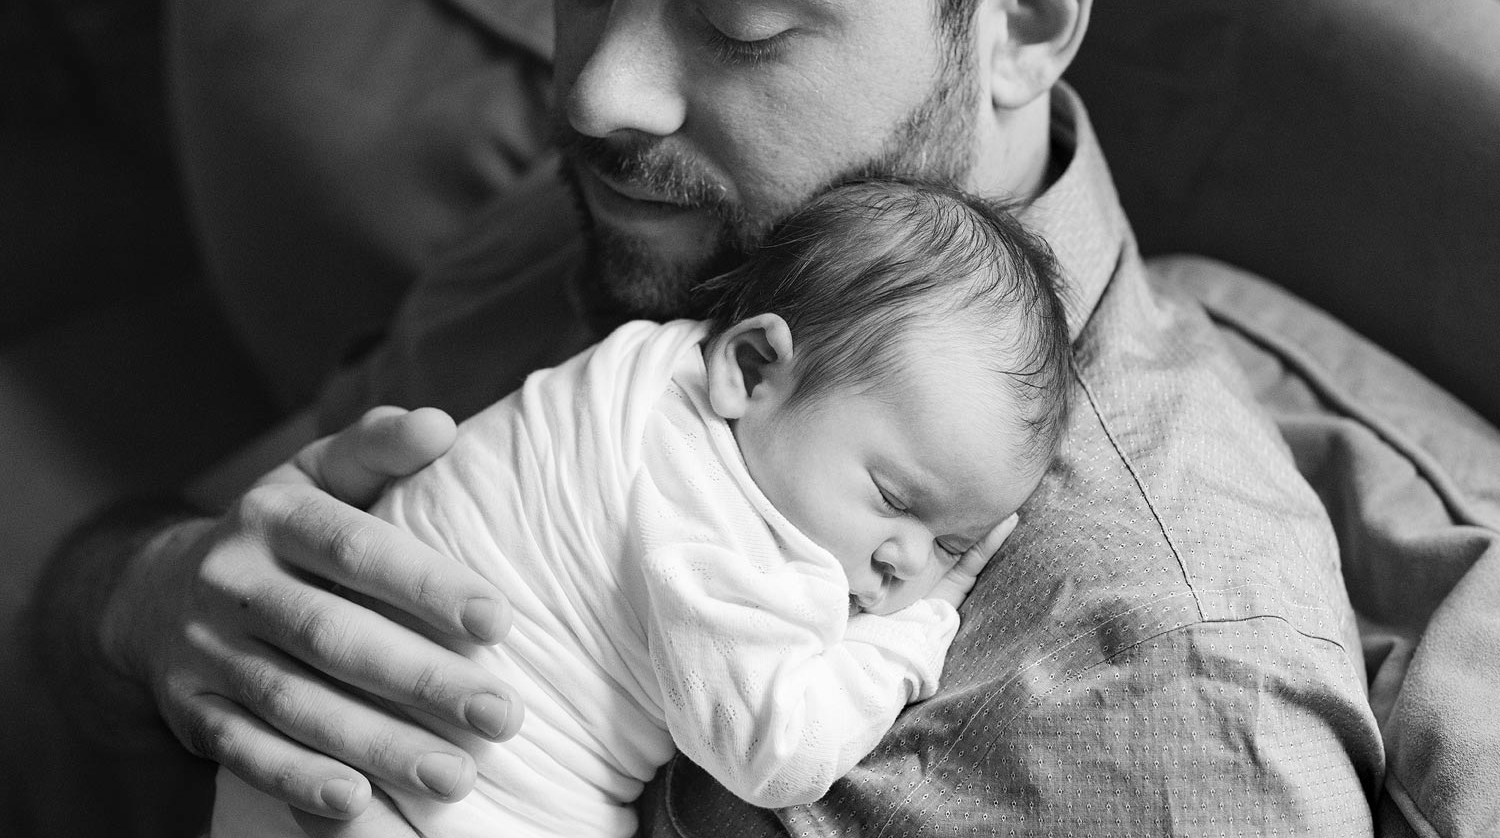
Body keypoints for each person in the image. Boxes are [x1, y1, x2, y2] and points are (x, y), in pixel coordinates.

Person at [28, 0, 1388, 835]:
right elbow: (153, 573)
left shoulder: (1160, 703)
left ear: (1023, 23)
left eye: (738, 25)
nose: (597, 90)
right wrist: (142, 606)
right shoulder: (668, 226)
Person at [214, 178, 1071, 837]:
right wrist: (913, 636)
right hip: (425, 804)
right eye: (893, 499)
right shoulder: (716, 529)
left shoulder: (646, 367)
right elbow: (778, 756)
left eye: (949, 541)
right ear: (753, 369)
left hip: (296, 727)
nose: (907, 563)